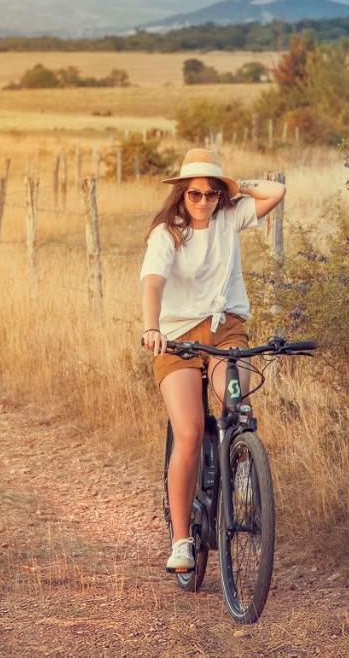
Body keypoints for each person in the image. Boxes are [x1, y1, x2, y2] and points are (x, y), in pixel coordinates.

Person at [138, 148, 285, 573]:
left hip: (225, 330)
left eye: (211, 194)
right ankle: (182, 539)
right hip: (177, 338)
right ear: (182, 194)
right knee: (187, 432)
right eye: (195, 194)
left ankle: (238, 465)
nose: (203, 202)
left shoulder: (228, 216)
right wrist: (152, 329)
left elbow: (276, 190)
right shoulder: (166, 234)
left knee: (236, 403)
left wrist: (235, 187)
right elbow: (152, 283)